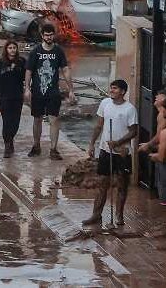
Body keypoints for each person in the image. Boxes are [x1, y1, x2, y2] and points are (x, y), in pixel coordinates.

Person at [83, 79, 138, 226]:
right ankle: (96, 215)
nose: (111, 90)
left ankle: (119, 216)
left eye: (114, 88)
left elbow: (134, 131)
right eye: (111, 88)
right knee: (102, 183)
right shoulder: (105, 103)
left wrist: (118, 143)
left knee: (122, 185)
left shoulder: (129, 109)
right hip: (105, 151)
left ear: (122, 92)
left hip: (122, 153)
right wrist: (91, 144)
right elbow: (99, 125)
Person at [24, 23, 76, 160]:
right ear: (42, 36)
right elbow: (29, 70)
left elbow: (65, 69)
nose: (49, 37)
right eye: (46, 35)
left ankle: (53, 149)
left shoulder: (58, 51)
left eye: (51, 34)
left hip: (53, 92)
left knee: (54, 119)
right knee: (37, 119)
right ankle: (36, 146)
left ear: (54, 35)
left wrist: (71, 89)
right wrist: (27, 88)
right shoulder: (35, 51)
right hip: (37, 91)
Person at [0, 40, 26, 158]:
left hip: (17, 96)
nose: (12, 50)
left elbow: (28, 75)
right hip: (3, 96)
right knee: (7, 121)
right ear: (6, 50)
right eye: (10, 48)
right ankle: (7, 145)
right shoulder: (0, 63)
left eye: (14, 48)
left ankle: (11, 138)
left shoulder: (22, 62)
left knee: (16, 122)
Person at [140, 90, 166, 204]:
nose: (155, 97)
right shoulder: (160, 113)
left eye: (159, 96)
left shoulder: (162, 114)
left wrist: (148, 145)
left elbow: (160, 135)